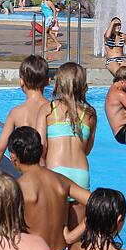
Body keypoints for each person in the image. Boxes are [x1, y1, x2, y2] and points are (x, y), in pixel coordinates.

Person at [38, 62, 97, 227]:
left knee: (55, 235)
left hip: (56, 173)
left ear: (59, 83)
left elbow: (40, 148)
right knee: (76, 239)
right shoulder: (90, 113)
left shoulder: (49, 109)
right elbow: (87, 149)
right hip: (81, 175)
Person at [0, 55, 50, 170]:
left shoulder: (16, 113)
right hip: (49, 172)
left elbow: (0, 147)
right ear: (47, 81)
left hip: (28, 174)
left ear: (21, 81)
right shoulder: (53, 109)